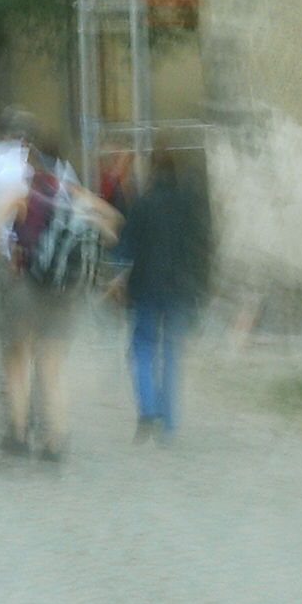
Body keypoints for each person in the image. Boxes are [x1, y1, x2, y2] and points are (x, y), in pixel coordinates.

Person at [0, 133, 118, 462]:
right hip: (64, 292)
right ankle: (56, 441)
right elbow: (112, 222)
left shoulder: (21, 194)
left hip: (23, 288)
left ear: (29, 160)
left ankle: (18, 434)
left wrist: (6, 254)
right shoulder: (77, 195)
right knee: (52, 365)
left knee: (17, 360)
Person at [109, 148, 211, 441]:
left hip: (146, 288)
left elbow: (125, 249)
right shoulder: (189, 205)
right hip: (180, 289)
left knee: (142, 347)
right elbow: (201, 247)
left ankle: (148, 409)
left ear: (152, 170)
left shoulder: (143, 203)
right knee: (172, 353)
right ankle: (169, 425)